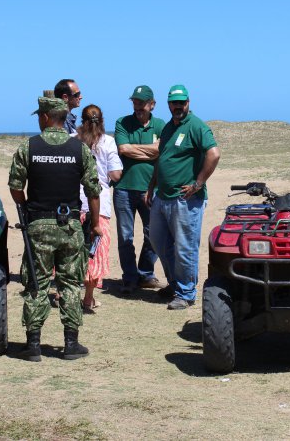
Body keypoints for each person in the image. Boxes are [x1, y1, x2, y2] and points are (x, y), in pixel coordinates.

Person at [9, 96, 102, 360]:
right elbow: (93, 190)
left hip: (38, 225)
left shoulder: (29, 147)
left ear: (47, 118)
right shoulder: (79, 149)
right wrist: (95, 224)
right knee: (71, 284)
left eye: (40, 115)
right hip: (70, 226)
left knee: (37, 282)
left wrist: (27, 207)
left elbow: (16, 186)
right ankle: (71, 344)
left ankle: (34, 345)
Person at [146, 85, 221, 310]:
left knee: (185, 247)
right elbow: (162, 159)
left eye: (182, 102)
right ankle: (175, 283)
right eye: (174, 102)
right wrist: (152, 187)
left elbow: (213, 153)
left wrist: (198, 183)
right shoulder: (169, 127)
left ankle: (186, 293)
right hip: (162, 197)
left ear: (188, 102)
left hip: (185, 200)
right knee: (159, 242)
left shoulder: (196, 126)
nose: (178, 106)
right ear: (168, 104)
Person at [113, 85, 167, 294]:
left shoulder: (161, 125)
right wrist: (150, 153)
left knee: (153, 234)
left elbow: (161, 151)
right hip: (124, 189)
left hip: (150, 189)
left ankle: (145, 274)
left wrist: (139, 151)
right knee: (125, 237)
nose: (137, 106)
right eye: (135, 102)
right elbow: (123, 149)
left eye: (142, 103)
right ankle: (130, 278)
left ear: (152, 104)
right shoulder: (122, 123)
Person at [76, 105, 123, 312]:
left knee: (70, 252)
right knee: (95, 253)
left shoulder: (72, 140)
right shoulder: (108, 142)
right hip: (99, 205)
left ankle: (62, 294)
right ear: (102, 120)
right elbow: (115, 175)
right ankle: (88, 298)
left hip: (74, 204)